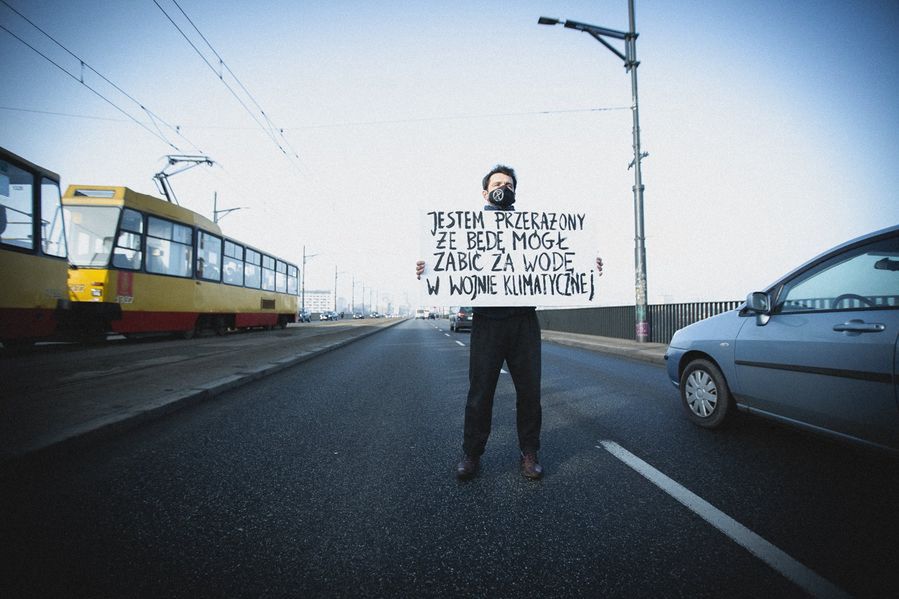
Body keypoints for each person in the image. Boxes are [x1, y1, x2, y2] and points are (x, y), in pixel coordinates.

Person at [416, 165, 603, 480]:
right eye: (498, 183)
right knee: (481, 393)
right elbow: (449, 267)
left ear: (516, 191)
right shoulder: (467, 230)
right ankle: (471, 454)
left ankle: (529, 453)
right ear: (485, 192)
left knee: (529, 393)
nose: (504, 188)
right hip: (487, 322)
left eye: (509, 184)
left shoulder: (529, 229)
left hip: (523, 322)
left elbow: (561, 260)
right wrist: (428, 268)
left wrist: (587, 264)